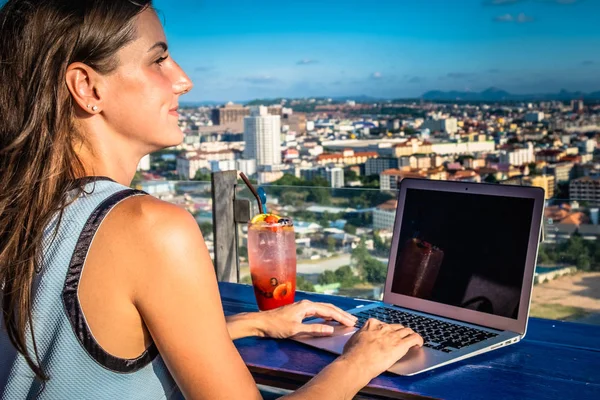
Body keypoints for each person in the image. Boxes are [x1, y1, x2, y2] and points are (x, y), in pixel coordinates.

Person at [0, 1, 423, 398]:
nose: (184, 81)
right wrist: (359, 360)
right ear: (87, 87)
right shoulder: (149, 226)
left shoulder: (22, 208)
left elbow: (88, 345)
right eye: (158, 60)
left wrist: (255, 322)